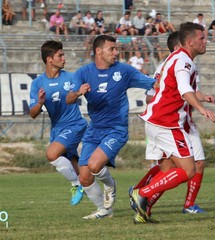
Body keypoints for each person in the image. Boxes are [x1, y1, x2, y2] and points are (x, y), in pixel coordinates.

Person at [130, 22, 215, 223]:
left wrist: (201, 98)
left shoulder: (175, 59)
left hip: (154, 119)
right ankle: (142, 193)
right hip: (167, 122)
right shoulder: (185, 61)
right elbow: (183, 89)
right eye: (202, 38)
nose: (206, 42)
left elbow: (176, 87)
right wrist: (202, 109)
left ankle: (143, 212)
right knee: (189, 170)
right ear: (190, 42)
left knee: (167, 169)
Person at [66, 34, 156, 220]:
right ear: (99, 51)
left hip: (116, 129)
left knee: (94, 165)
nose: (116, 52)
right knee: (84, 177)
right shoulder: (83, 73)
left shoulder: (124, 71)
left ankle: (110, 184)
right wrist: (78, 92)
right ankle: (104, 210)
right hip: (95, 130)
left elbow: (152, 82)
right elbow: (69, 99)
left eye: (116, 49)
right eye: (112, 49)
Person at [29, 40, 89, 206]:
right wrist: (40, 103)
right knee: (74, 165)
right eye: (60, 55)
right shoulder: (37, 83)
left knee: (51, 154)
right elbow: (32, 114)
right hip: (57, 129)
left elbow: (74, 97)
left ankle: (76, 185)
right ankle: (102, 203)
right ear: (49, 59)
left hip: (75, 124)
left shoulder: (71, 78)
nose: (64, 58)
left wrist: (78, 92)